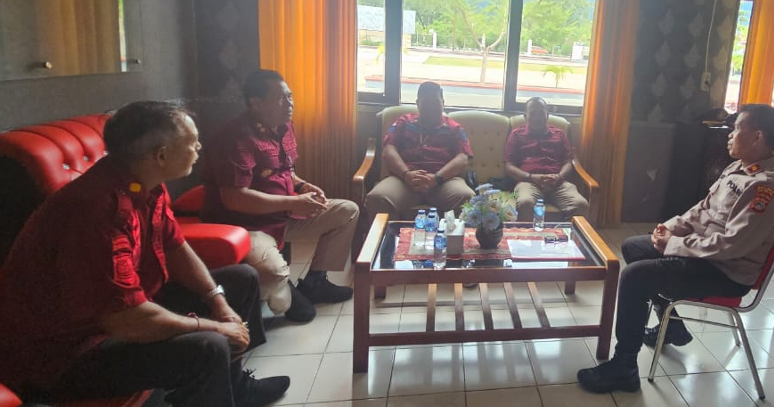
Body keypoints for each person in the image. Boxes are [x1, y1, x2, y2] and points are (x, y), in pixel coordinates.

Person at [0, 101, 290, 407]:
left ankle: (237, 390)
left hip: (120, 313)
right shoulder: (96, 212)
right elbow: (127, 321)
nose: (199, 147)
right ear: (161, 155)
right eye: (192, 142)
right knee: (209, 345)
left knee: (241, 279)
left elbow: (176, 247)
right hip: (66, 353)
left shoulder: (145, 183)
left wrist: (218, 301)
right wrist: (214, 326)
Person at [577, 104, 774, 394]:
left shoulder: (765, 188)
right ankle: (672, 327)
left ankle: (624, 367)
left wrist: (675, 245)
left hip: (725, 272)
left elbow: (731, 245)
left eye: (736, 129)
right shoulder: (738, 168)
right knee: (633, 247)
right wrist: (668, 229)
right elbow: (702, 210)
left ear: (757, 137)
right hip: (705, 257)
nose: (729, 134)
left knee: (634, 277)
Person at [202, 70, 358, 324]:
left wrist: (303, 186)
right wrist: (293, 202)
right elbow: (235, 198)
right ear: (256, 103)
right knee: (279, 282)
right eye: (280, 98)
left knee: (347, 211)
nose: (289, 104)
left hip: (283, 215)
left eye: (290, 96)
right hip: (248, 225)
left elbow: (286, 171)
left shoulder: (284, 128)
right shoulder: (235, 138)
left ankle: (316, 282)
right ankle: (281, 284)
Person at [365, 81, 475, 220]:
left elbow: (462, 158)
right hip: (404, 180)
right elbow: (388, 149)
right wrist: (406, 174)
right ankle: (388, 235)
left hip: (444, 181)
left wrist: (436, 178)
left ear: (443, 103)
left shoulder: (454, 127)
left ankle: (455, 236)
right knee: (378, 198)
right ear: (417, 103)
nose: (431, 107)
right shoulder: (404, 122)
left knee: (466, 197)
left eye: (436, 102)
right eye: (426, 103)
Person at [504, 97, 588, 221]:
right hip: (528, 182)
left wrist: (559, 177)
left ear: (547, 115)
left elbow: (568, 162)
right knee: (525, 203)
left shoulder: (559, 134)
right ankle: (528, 234)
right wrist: (531, 177)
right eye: (533, 113)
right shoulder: (517, 135)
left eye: (541, 113)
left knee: (581, 205)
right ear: (525, 116)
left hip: (558, 183)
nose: (537, 117)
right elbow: (509, 165)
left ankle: (565, 234)